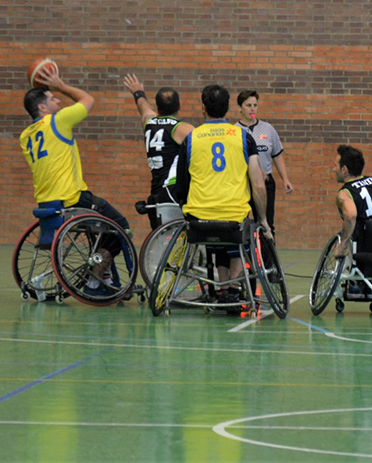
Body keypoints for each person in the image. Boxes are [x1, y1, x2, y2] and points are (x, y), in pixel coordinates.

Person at [20, 67, 131, 296]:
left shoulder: (26, 136)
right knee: (121, 226)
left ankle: (106, 276)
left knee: (101, 228)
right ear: (42, 107)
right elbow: (88, 100)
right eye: (53, 98)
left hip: (47, 203)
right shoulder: (57, 121)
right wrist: (60, 84)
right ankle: (95, 280)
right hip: (72, 198)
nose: (59, 100)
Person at [175, 85, 269, 306]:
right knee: (239, 231)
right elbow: (258, 184)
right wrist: (263, 220)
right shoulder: (243, 137)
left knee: (212, 233)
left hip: (199, 216)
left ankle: (222, 287)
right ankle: (233, 287)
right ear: (228, 108)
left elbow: (181, 185)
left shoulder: (191, 138)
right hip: (234, 216)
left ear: (203, 107)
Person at [122, 74, 194, 228]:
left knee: (162, 239)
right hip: (173, 190)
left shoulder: (148, 122)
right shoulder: (182, 129)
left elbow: (143, 107)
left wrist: (138, 92)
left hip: (156, 191)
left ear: (158, 106)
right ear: (179, 106)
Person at [235, 90, 293, 236]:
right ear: (240, 108)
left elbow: (277, 154)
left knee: (267, 224)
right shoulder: (235, 130)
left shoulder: (268, 129)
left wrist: (285, 179)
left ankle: (268, 258)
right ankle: (247, 256)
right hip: (243, 184)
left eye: (255, 105)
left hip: (266, 182)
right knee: (241, 224)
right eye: (248, 105)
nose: (252, 108)